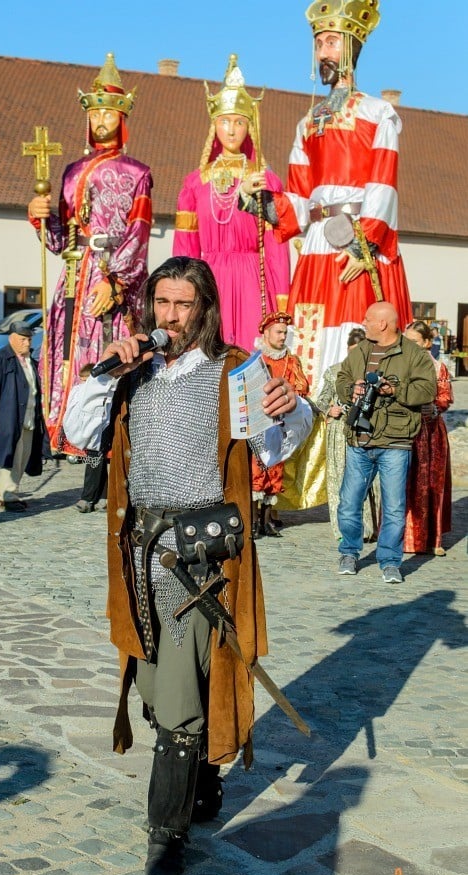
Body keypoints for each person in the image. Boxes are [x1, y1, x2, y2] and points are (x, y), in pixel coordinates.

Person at [63, 256, 312, 875]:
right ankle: (202, 786)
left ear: (204, 307)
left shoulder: (232, 372)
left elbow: (279, 443)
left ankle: (165, 833)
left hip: (197, 557)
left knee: (175, 700)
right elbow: (76, 430)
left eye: (183, 304)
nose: (170, 317)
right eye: (162, 304)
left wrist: (294, 406)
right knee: (155, 688)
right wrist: (105, 372)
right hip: (139, 558)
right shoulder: (134, 374)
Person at [241, 0, 411, 393]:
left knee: (352, 327)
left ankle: (351, 421)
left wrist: (363, 244)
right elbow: (299, 199)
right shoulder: (308, 122)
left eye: (332, 42)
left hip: (356, 240)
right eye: (318, 43)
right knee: (311, 329)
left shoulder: (377, 112)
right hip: (317, 243)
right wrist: (261, 200)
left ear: (352, 45)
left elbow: (383, 183)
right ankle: (312, 421)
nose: (322, 52)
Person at [27, 52, 152, 454]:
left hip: (110, 272)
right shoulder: (69, 171)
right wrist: (41, 218)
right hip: (75, 275)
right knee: (65, 348)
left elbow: (138, 231)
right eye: (95, 113)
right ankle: (66, 426)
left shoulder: (137, 172)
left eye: (109, 113)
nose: (101, 120)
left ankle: (107, 433)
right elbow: (61, 240)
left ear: (122, 118)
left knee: (107, 350)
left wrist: (117, 283)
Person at [173, 55, 289, 353]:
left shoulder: (266, 180)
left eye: (239, 122)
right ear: (214, 126)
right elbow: (185, 248)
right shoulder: (194, 183)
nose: (233, 130)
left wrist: (281, 303)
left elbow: (277, 249)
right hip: (208, 278)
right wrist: (182, 292)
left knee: (249, 357)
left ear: (249, 126)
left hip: (252, 279)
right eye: (225, 122)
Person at [336, 301, 437, 583]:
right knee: (349, 502)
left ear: (382, 323)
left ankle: (390, 561)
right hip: (359, 437)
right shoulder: (361, 351)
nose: (363, 322)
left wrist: (395, 389)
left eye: (368, 319)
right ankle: (349, 552)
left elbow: (428, 389)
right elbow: (342, 378)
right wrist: (350, 389)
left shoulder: (414, 354)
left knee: (393, 506)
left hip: (395, 439)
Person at [316, 326, 380, 540]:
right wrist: (329, 410)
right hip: (339, 434)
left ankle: (366, 528)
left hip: (365, 433)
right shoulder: (334, 372)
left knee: (365, 481)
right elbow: (320, 401)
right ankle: (343, 530)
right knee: (340, 481)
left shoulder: (375, 375)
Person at [251, 311, 309, 537]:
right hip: (259, 424)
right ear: (266, 333)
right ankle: (254, 522)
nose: (283, 336)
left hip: (282, 423)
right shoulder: (255, 359)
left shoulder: (291, 361)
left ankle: (267, 521)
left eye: (285, 332)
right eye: (279, 332)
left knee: (275, 470)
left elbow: (302, 387)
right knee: (257, 469)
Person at [0, 318, 44, 512]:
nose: (27, 343)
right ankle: (9, 495)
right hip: (10, 418)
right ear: (12, 338)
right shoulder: (1, 359)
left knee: (22, 458)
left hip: (29, 416)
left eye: (29, 339)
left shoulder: (29, 361)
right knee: (12, 457)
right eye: (23, 339)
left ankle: (3, 493)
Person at [403, 320, 453, 556]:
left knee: (432, 484)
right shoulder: (400, 365)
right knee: (402, 482)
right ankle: (403, 538)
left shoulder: (438, 367)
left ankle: (433, 539)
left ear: (426, 343)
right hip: (405, 430)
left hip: (431, 432)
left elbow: (445, 397)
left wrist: (434, 407)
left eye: (413, 341)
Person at [73, 363, 109, 513]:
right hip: (89, 432)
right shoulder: (79, 392)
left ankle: (88, 498)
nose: (82, 383)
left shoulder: (101, 392)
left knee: (94, 463)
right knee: (96, 464)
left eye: (85, 380)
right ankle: (103, 496)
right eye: (81, 380)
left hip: (99, 431)